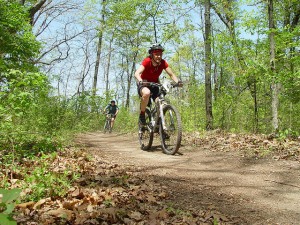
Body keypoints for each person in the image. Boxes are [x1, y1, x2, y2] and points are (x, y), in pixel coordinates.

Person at [134, 43, 182, 125]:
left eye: (160, 54)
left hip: (155, 84)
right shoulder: (147, 61)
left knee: (160, 102)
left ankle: (162, 126)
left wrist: (178, 82)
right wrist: (140, 80)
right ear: (152, 55)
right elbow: (137, 73)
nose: (159, 56)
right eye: (156, 54)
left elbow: (171, 74)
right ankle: (142, 114)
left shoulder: (163, 63)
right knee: (147, 93)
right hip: (144, 83)